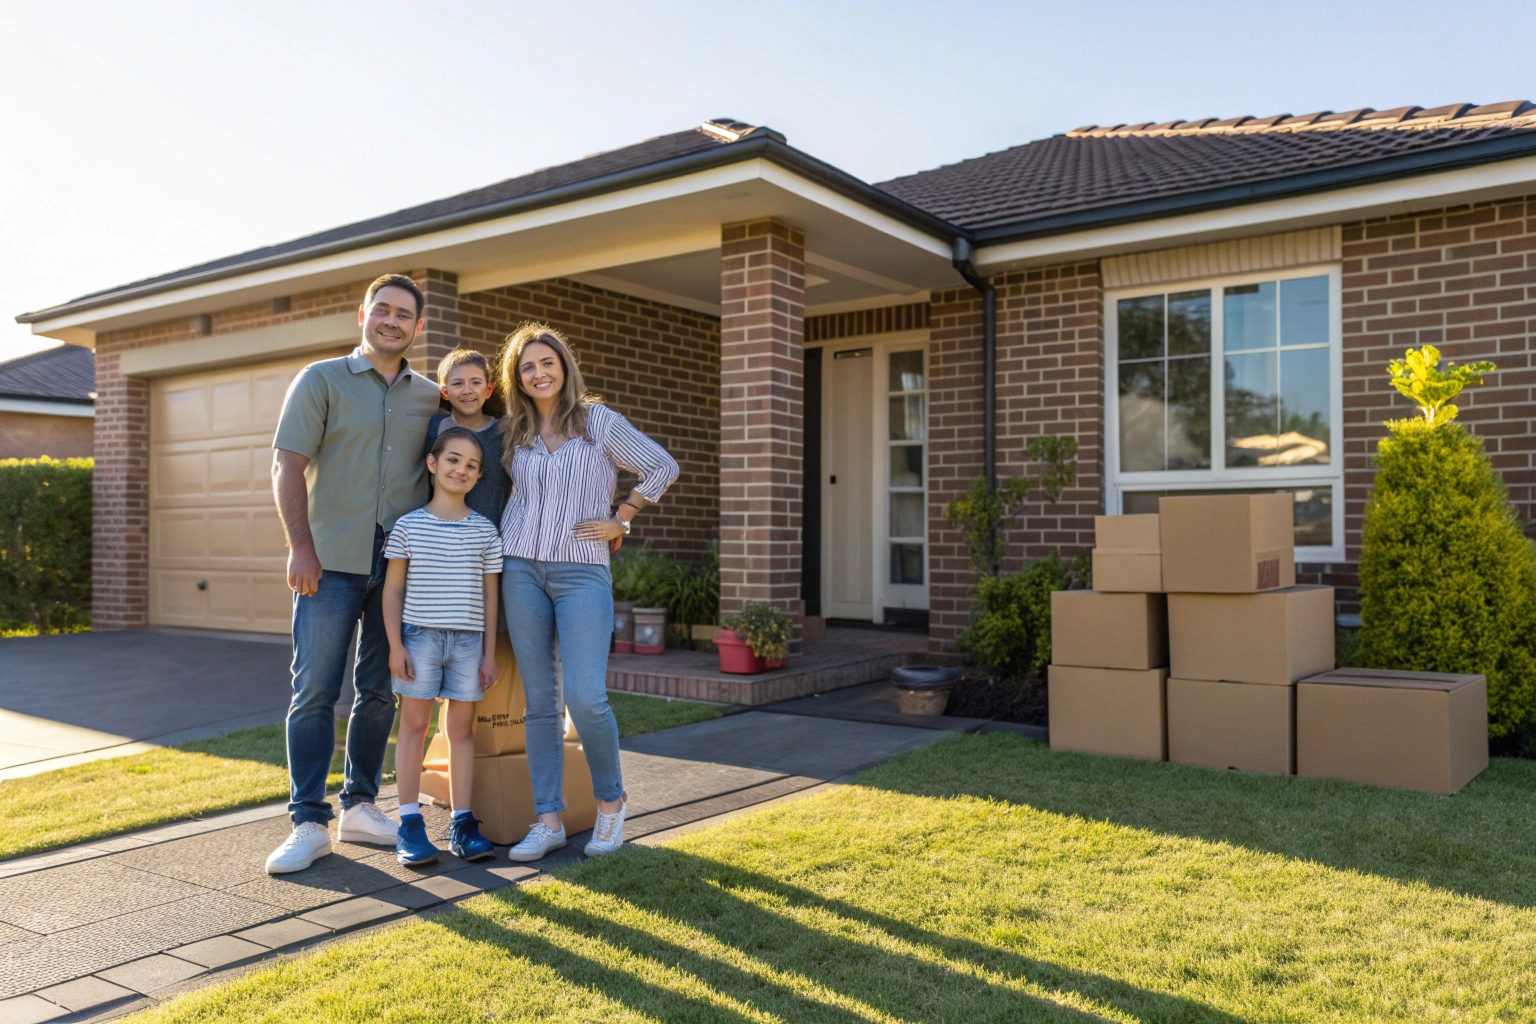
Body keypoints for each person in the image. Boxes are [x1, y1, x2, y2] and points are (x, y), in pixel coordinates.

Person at [265, 274, 443, 875]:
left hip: (398, 566)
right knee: (314, 689)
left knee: (379, 690)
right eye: (383, 311)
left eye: (404, 315)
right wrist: (300, 548)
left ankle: (361, 807)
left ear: (418, 327)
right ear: (362, 315)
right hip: (330, 561)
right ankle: (308, 822)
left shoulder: (430, 396)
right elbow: (287, 465)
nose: (392, 322)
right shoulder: (321, 380)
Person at [496, 322, 678, 862]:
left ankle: (610, 803)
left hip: (581, 573)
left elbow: (661, 465)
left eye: (546, 362)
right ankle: (548, 818)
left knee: (585, 696)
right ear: (518, 378)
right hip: (521, 568)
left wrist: (621, 517)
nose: (538, 372)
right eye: (527, 367)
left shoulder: (597, 421)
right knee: (540, 702)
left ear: (563, 366)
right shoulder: (516, 433)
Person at [383, 426, 502, 866]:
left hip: (469, 643)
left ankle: (463, 823)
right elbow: (393, 590)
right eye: (453, 459)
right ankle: (410, 823)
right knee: (414, 726)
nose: (461, 469)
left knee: (461, 730)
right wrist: (396, 644)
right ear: (433, 464)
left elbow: (491, 599)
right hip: (419, 638)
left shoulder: (485, 532)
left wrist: (489, 653)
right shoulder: (408, 526)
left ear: (478, 476)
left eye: (471, 465)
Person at [422, 349, 510, 528]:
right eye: (458, 383)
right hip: (439, 532)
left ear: (489, 389)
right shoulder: (435, 428)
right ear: (445, 392)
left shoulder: (504, 432)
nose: (467, 390)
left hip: (488, 536)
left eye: (476, 382)